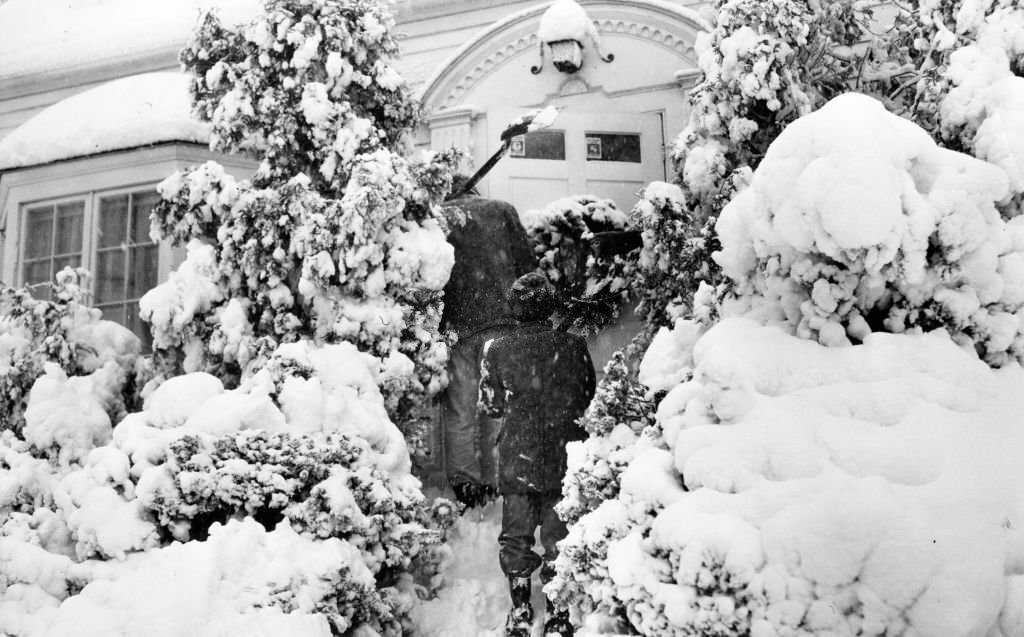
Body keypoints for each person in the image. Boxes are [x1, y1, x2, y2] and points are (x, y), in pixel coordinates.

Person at [478, 273, 596, 637]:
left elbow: (491, 406)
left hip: (519, 457)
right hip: (565, 454)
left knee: (516, 538)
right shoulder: (574, 346)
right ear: (550, 306)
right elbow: (589, 396)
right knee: (559, 539)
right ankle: (559, 614)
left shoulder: (495, 349)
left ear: (514, 308)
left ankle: (521, 612)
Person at [441, 187, 536, 508]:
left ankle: (466, 485)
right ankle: (497, 480)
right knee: (499, 407)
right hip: (503, 326)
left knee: (461, 410)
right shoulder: (502, 210)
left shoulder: (441, 217)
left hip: (461, 327)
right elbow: (529, 269)